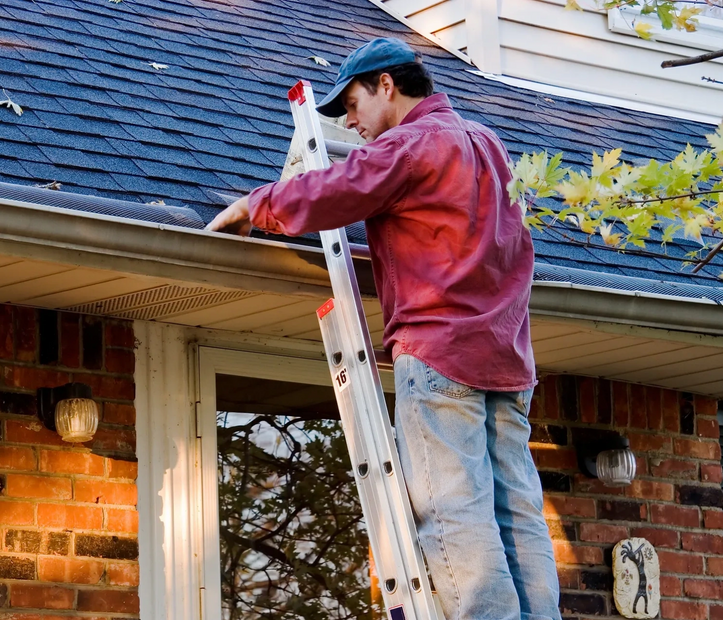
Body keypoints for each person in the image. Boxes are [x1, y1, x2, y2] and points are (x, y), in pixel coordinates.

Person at [207, 37, 562, 620]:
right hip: (506, 359)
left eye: (352, 104)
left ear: (387, 86)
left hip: (441, 354)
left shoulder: (414, 143)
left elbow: (339, 190)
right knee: (516, 509)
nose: (351, 122)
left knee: (456, 510)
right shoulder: (489, 145)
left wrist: (255, 205)